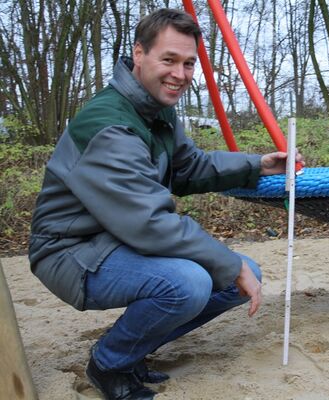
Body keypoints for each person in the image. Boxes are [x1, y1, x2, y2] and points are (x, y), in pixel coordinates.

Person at [28, 8, 303, 400]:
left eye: (189, 63)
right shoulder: (110, 124)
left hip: (114, 240)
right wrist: (228, 263)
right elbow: (149, 222)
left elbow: (190, 167)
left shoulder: (157, 112)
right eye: (169, 60)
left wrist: (257, 165)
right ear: (139, 54)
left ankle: (132, 349)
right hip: (69, 251)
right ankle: (109, 363)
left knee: (241, 276)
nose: (180, 73)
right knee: (189, 283)